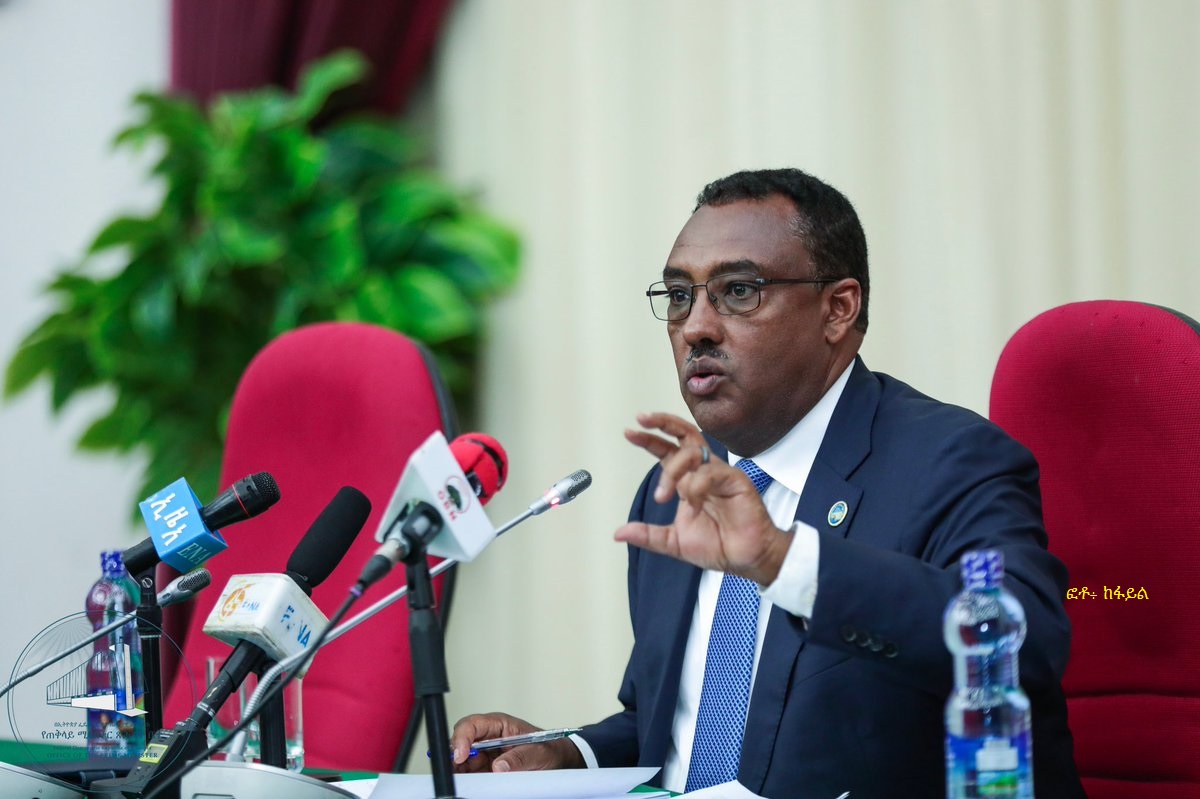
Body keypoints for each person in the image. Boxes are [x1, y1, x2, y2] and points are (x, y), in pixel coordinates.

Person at [451, 168, 1085, 798]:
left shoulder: (951, 461)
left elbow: (1024, 644)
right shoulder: (676, 490)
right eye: (680, 296)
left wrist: (787, 562)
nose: (696, 326)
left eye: (738, 291)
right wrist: (570, 754)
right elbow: (672, 727)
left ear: (838, 309)